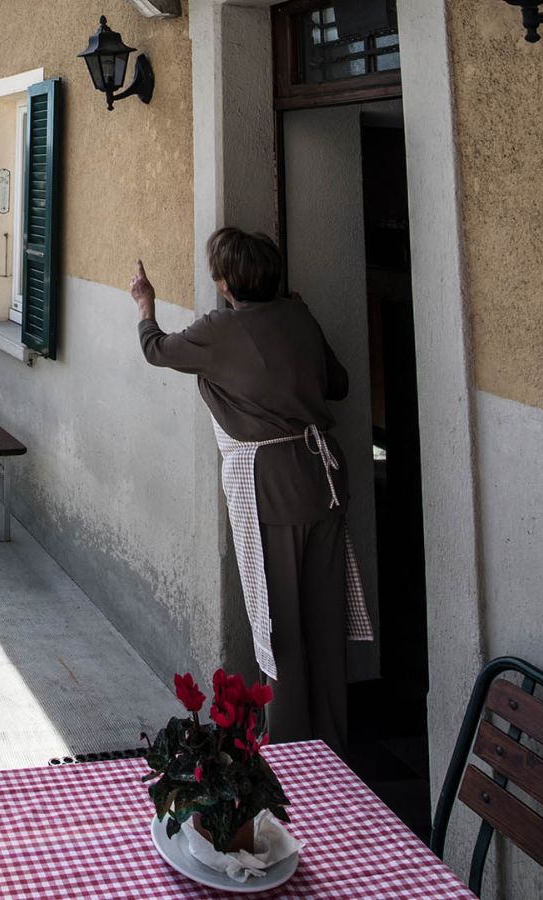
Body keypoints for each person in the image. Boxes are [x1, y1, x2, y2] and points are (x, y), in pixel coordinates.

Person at [129, 228, 372, 755]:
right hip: (325, 482)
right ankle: (333, 751)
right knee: (325, 620)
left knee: (279, 623)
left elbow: (156, 349)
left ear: (224, 282)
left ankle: (289, 752)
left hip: (271, 488)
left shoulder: (219, 330)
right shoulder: (300, 317)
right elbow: (339, 385)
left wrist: (145, 305)